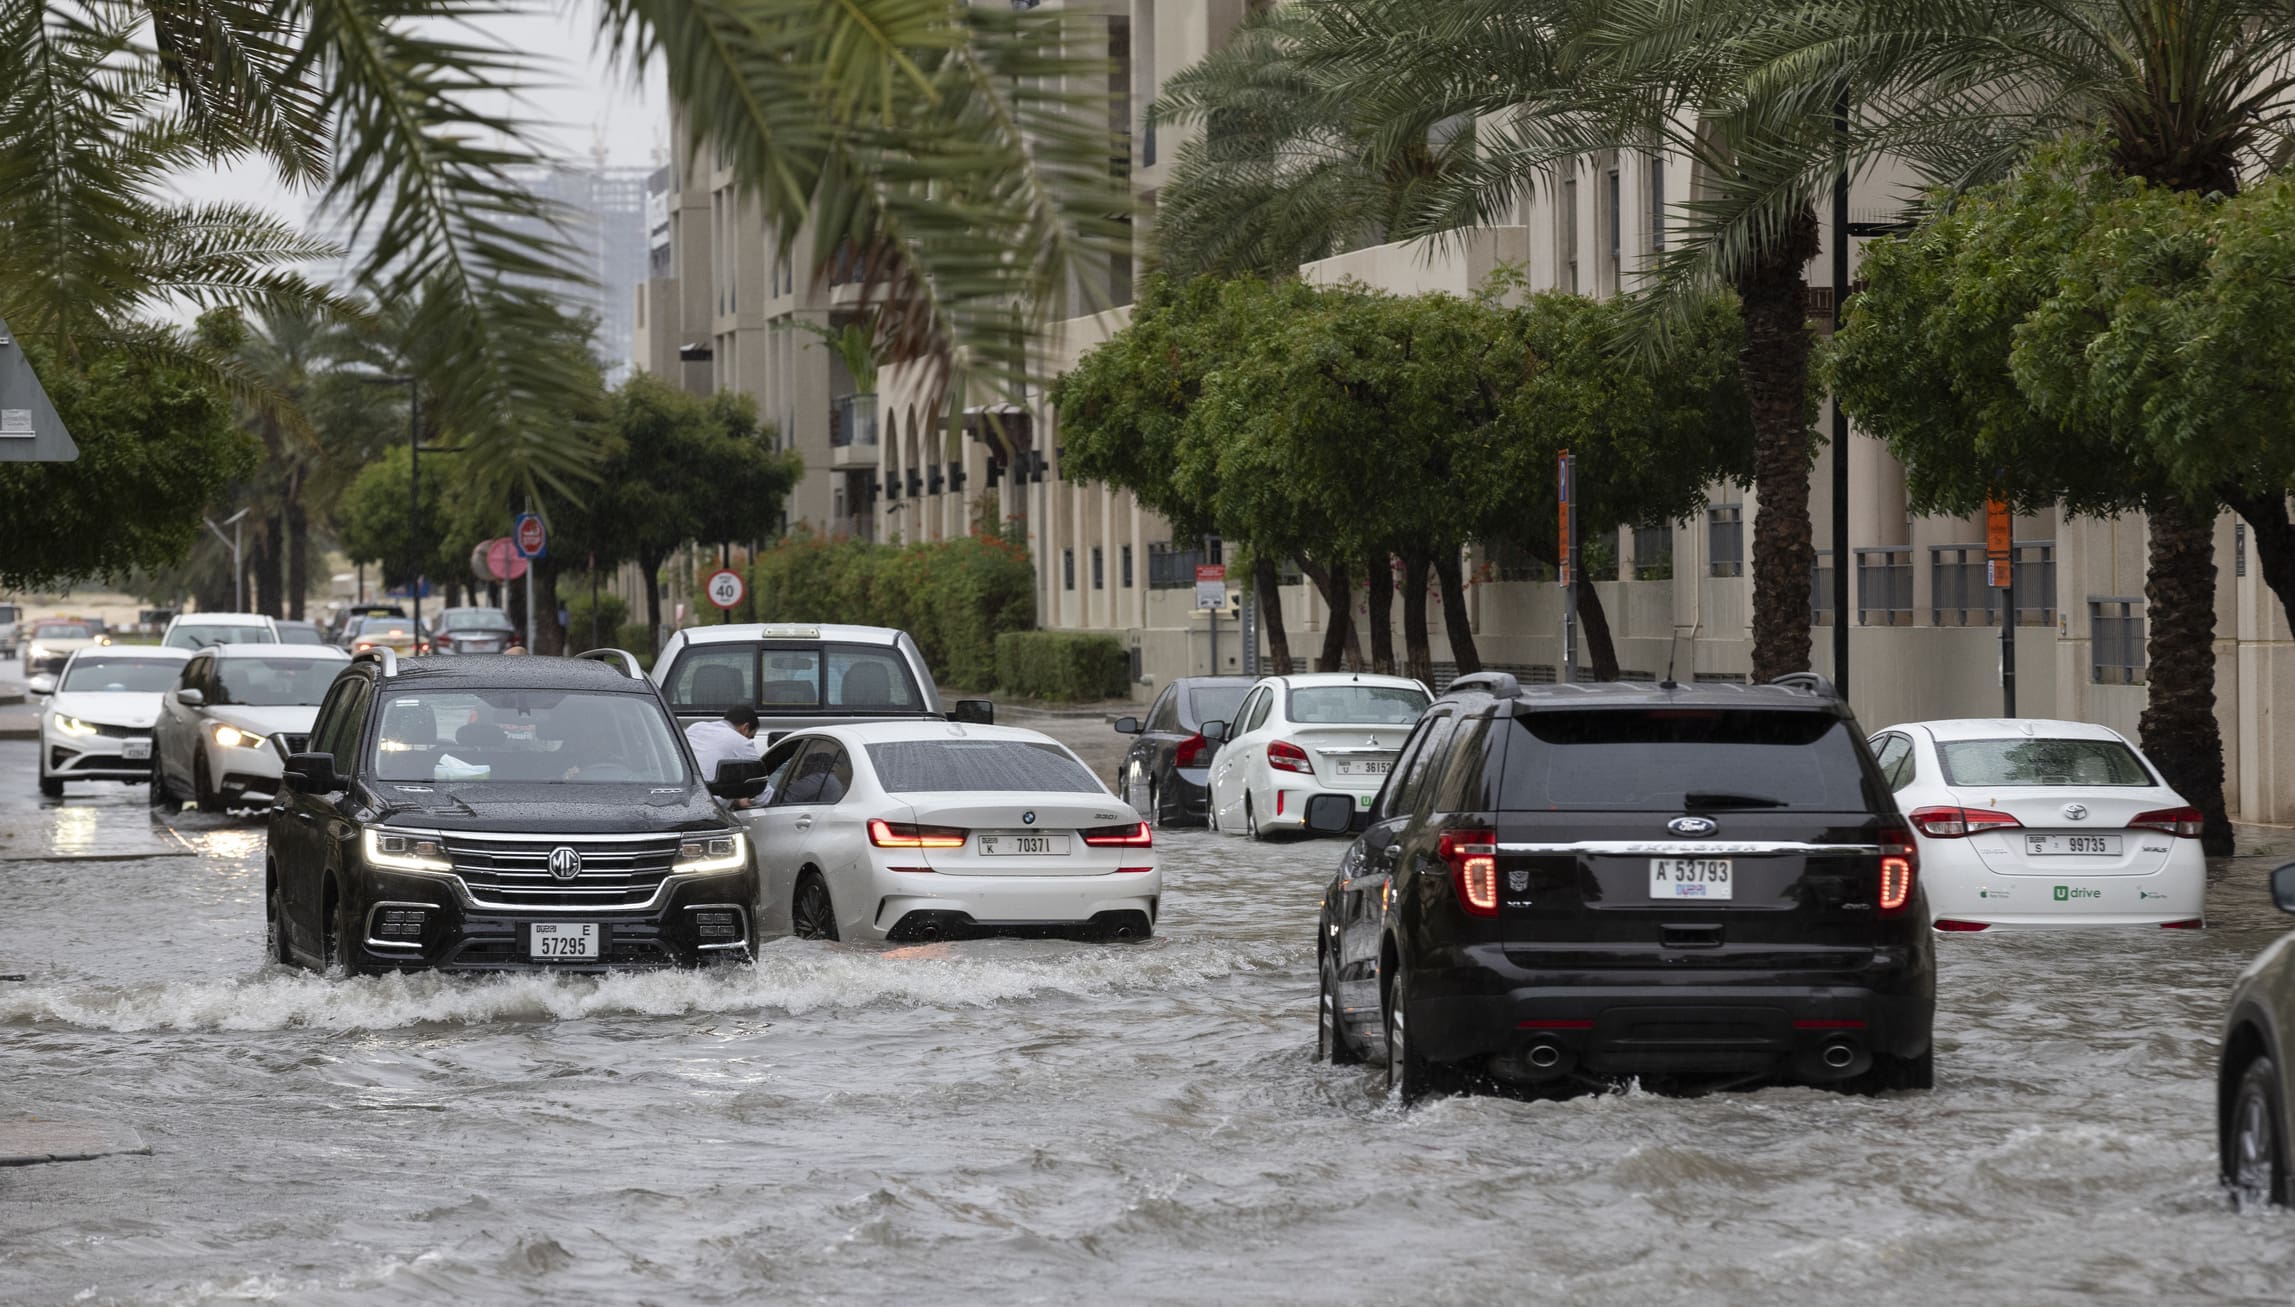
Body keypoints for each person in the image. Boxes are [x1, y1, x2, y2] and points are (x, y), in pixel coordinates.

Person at [686, 706, 764, 806]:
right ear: (745, 728)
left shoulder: (695, 728)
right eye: (751, 736)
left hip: (679, 798)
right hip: (708, 808)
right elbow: (761, 789)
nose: (749, 740)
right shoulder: (741, 741)